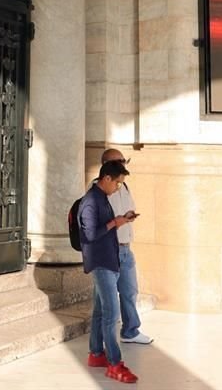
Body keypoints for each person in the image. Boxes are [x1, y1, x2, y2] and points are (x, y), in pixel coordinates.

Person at [79, 161, 139, 384]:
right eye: (117, 183)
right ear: (106, 179)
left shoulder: (102, 198)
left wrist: (120, 222)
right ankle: (115, 364)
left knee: (99, 312)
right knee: (111, 315)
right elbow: (90, 235)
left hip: (109, 260)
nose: (117, 187)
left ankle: (96, 354)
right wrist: (116, 222)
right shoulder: (91, 202)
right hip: (101, 263)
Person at [100, 148, 152, 345]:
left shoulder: (124, 186)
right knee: (105, 299)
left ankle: (130, 331)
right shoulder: (98, 189)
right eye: (119, 161)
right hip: (108, 249)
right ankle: (101, 340)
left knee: (130, 291)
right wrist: (118, 221)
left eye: (124, 160)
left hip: (125, 248)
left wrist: (128, 217)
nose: (123, 164)